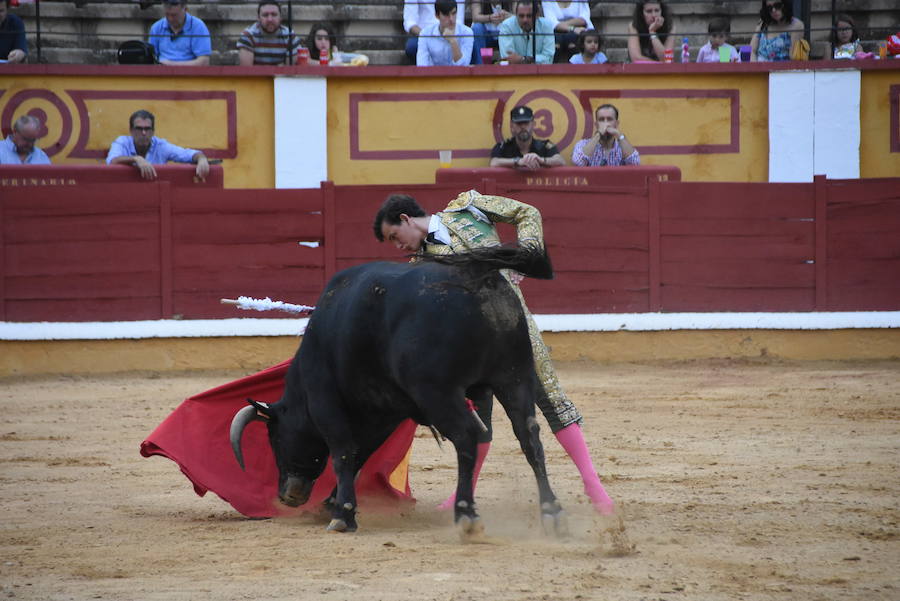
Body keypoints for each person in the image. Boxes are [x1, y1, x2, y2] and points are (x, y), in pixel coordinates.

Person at [373, 191, 615, 515]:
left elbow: (526, 212)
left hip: (516, 332)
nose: (398, 246)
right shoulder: (420, 267)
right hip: (471, 352)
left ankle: (593, 485)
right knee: (478, 420)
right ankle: (465, 492)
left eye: (394, 236)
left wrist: (526, 257)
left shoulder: (467, 208)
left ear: (405, 219)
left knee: (552, 402)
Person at [106, 109, 209, 181]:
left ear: (153, 131)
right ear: (131, 131)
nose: (143, 133)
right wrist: (136, 159)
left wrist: (202, 158)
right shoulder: (123, 142)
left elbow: (187, 154)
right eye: (139, 129)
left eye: (147, 129)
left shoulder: (161, 146)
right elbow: (112, 161)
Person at [490, 105, 565, 170]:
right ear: (511, 126)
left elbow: (560, 161)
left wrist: (540, 160)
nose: (523, 127)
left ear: (533, 124)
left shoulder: (544, 146)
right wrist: (518, 161)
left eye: (526, 123)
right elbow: (494, 162)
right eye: (519, 123)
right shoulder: (503, 147)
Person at [571, 104, 639, 167]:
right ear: (596, 124)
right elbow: (578, 162)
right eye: (601, 120)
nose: (605, 123)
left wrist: (618, 135)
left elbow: (635, 163)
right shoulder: (583, 144)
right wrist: (598, 134)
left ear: (616, 124)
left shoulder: (623, 146)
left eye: (609, 119)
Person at [237, 1, 301, 66]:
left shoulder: (289, 36)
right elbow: (247, 72)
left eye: (274, 15)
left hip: (281, 76)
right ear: (258, 18)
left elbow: (290, 72)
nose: (270, 19)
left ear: (280, 17)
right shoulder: (248, 36)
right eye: (265, 15)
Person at [148, 0, 211, 66]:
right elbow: (151, 59)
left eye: (174, 15)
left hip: (190, 74)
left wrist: (172, 65)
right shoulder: (156, 28)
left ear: (185, 9)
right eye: (167, 14)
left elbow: (204, 62)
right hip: (161, 74)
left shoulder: (198, 27)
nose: (170, 19)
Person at [403, 0, 465, 64]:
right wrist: (428, 36)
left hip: (451, 32)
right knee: (412, 46)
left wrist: (450, 36)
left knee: (470, 44)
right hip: (424, 34)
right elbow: (410, 22)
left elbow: (458, 19)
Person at [416, 0, 473, 66]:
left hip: (459, 76)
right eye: (446, 15)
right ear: (437, 16)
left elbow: (463, 67)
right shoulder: (425, 34)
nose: (451, 19)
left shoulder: (467, 33)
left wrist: (453, 41)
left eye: (454, 13)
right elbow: (421, 66)